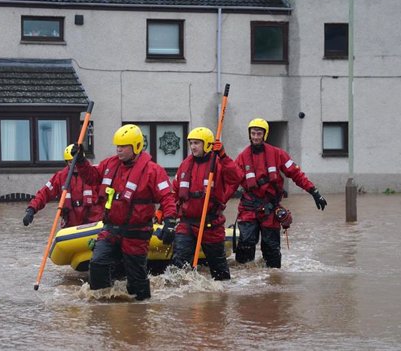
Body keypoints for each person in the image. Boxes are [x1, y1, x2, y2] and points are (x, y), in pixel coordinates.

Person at [72, 124, 177, 300]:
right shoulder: (109, 164)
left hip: (137, 233)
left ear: (136, 146)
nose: (119, 150)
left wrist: (170, 221)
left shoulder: (153, 171)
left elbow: (167, 197)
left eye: (123, 146)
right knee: (97, 263)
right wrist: (81, 160)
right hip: (111, 229)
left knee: (137, 280)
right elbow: (91, 177)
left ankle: (141, 312)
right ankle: (102, 304)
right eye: (117, 146)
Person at [233, 118, 327, 268]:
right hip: (248, 207)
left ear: (265, 135)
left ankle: (273, 280)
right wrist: (217, 203)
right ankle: (244, 280)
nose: (256, 137)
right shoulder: (242, 158)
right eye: (253, 133)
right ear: (249, 135)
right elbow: (230, 182)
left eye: (259, 133)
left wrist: (314, 191)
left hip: (270, 208)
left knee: (271, 248)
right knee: (245, 244)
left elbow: (296, 174)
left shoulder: (278, 154)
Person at [169, 127, 243, 280]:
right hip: (187, 223)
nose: (193, 147)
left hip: (211, 225)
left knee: (219, 271)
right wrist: (165, 214)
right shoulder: (185, 165)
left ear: (207, 145)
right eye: (191, 143)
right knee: (179, 265)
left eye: (197, 143)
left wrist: (223, 155)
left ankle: (221, 298)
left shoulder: (219, 163)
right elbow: (174, 192)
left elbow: (236, 177)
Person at [22, 145, 102, 228]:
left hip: (92, 225)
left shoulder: (93, 174)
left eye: (76, 161)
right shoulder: (60, 177)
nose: (74, 165)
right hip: (70, 227)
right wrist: (31, 209)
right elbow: (44, 193)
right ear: (67, 162)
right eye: (71, 162)